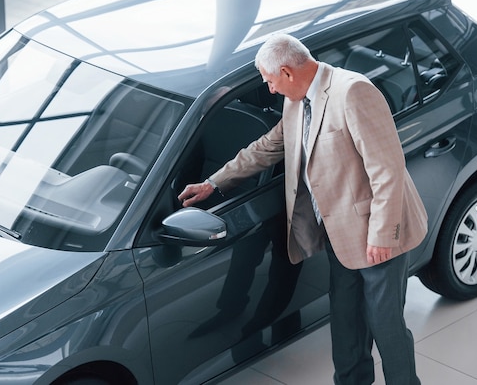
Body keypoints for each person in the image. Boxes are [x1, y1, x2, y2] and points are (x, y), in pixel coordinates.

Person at [178, 33, 427, 384]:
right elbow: (267, 146)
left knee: (385, 325)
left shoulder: (353, 92)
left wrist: (382, 234)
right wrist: (214, 182)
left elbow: (387, 170)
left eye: (270, 81)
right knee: (345, 322)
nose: (270, 90)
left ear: (287, 72)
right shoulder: (297, 100)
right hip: (341, 234)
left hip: (378, 236)